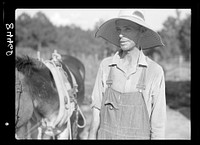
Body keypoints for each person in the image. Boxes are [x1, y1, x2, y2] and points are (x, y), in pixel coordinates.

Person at [88, 9, 167, 140]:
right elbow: (96, 109)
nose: (121, 35)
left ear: (142, 31)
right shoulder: (106, 66)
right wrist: (91, 135)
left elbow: (158, 125)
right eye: (119, 29)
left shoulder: (154, 72)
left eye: (127, 29)